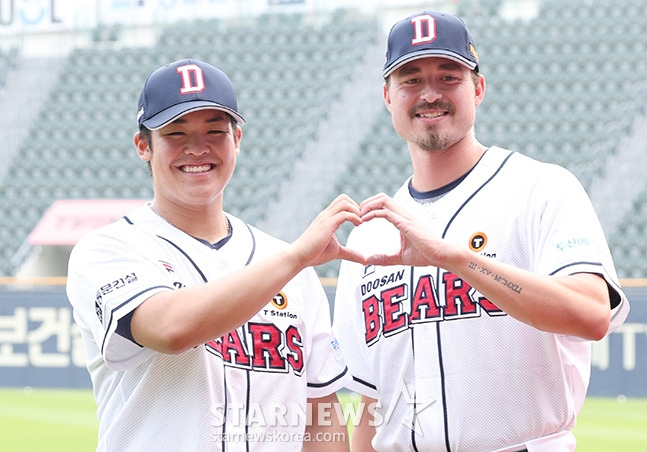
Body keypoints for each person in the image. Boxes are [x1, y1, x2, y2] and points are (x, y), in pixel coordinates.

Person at [332, 11, 630, 452]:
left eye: (448, 76)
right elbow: (371, 404)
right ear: (387, 96)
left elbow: (591, 314)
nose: (429, 93)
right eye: (410, 79)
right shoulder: (369, 236)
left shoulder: (541, 189)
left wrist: (455, 257)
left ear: (478, 88)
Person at [66, 58, 365, 451]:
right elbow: (171, 330)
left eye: (215, 131)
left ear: (237, 140)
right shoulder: (109, 249)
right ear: (143, 146)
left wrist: (294, 260)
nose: (198, 148)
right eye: (176, 132)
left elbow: (319, 418)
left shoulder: (289, 263)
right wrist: (295, 259)